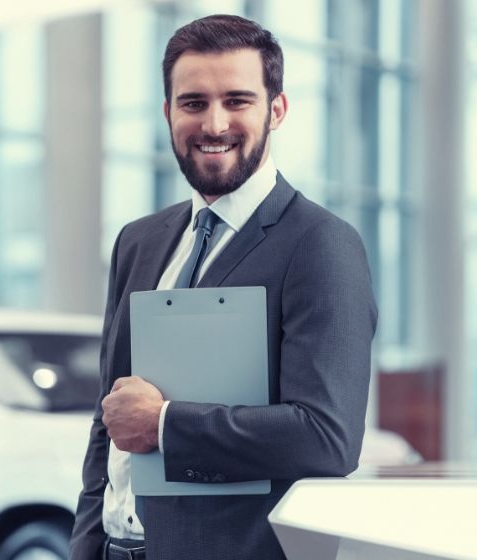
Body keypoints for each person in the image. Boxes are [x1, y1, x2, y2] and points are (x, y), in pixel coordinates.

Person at [70, 14, 377, 560]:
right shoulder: (139, 241)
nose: (214, 125)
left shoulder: (320, 244)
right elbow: (110, 418)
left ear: (275, 110)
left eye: (237, 101)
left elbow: (325, 437)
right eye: (193, 103)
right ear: (168, 113)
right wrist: (88, 544)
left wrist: (164, 424)